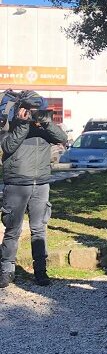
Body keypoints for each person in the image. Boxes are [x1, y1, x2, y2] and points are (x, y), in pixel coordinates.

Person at [0, 96, 68, 287]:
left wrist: (46, 123)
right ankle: (7, 271)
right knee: (13, 229)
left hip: (41, 184)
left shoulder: (44, 128)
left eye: (36, 110)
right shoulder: (9, 124)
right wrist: (22, 124)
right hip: (16, 184)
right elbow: (7, 146)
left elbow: (62, 138)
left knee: (39, 230)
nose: (32, 114)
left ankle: (41, 272)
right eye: (29, 110)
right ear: (21, 109)